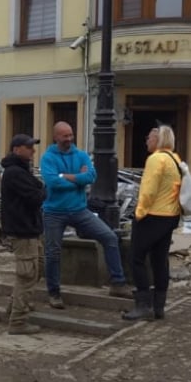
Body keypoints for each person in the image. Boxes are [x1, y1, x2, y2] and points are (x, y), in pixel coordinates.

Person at [40, 121, 128, 309]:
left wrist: (65, 176)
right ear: (56, 137)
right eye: (65, 136)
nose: (69, 139)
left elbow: (91, 177)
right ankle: (54, 292)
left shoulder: (80, 155)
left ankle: (118, 283)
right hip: (54, 212)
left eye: (71, 135)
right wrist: (77, 180)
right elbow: (52, 182)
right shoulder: (47, 158)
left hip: (79, 210)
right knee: (53, 252)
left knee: (110, 237)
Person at [123, 126, 181, 321]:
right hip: (170, 216)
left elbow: (148, 191)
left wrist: (139, 213)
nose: (146, 141)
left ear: (157, 140)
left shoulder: (156, 159)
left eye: (148, 138)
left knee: (136, 257)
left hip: (153, 215)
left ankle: (143, 304)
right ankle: (159, 306)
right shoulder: (175, 159)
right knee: (159, 259)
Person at [0, 134, 46, 335]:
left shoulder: (20, 171)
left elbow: (37, 190)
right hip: (22, 229)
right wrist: (43, 189)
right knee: (27, 275)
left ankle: (14, 308)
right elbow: (36, 195)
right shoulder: (14, 173)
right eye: (29, 147)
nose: (33, 151)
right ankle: (18, 321)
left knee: (35, 269)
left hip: (30, 228)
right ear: (17, 149)